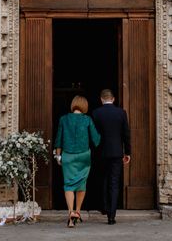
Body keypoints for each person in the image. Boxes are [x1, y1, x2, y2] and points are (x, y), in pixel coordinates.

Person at [54, 95, 101, 228]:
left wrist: (58, 156)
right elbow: (96, 140)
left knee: (68, 184)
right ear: (85, 106)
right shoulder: (87, 120)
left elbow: (58, 139)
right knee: (81, 184)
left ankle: (70, 214)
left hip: (68, 155)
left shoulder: (63, 119)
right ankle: (78, 211)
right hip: (83, 156)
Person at [92, 89, 131, 225]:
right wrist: (127, 153)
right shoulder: (121, 113)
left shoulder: (96, 113)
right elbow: (126, 134)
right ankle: (112, 216)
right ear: (113, 99)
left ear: (101, 99)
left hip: (101, 153)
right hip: (116, 153)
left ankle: (105, 207)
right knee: (114, 183)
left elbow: (93, 135)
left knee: (103, 180)